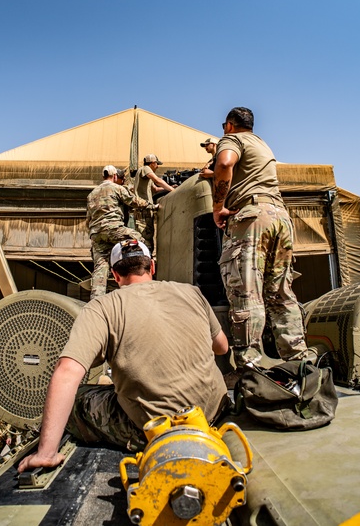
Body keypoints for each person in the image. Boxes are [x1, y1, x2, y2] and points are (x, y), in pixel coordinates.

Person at [17, 240, 229, 472]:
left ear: (115, 275)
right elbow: (222, 347)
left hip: (159, 428)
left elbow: (67, 372)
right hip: (212, 413)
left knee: (79, 400)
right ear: (152, 267)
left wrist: (46, 453)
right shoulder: (192, 292)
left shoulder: (102, 308)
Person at [211, 107, 314, 368]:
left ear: (230, 126)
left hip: (252, 217)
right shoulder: (262, 145)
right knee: (280, 294)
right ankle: (299, 362)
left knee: (246, 292)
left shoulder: (231, 139)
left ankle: (250, 368)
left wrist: (218, 206)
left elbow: (224, 163)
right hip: (280, 216)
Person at [87, 165, 156, 299]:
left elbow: (88, 219)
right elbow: (133, 201)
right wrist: (151, 206)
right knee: (140, 242)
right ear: (114, 176)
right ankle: (145, 278)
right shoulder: (116, 188)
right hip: (114, 228)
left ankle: (95, 299)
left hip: (96, 234)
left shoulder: (92, 194)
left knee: (100, 268)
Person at [132, 154, 175, 250]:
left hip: (146, 209)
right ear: (152, 163)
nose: (157, 166)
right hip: (143, 210)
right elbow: (157, 180)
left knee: (148, 236)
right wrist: (173, 190)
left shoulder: (146, 176)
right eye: (156, 164)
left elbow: (155, 189)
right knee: (144, 238)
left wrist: (169, 189)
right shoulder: (146, 169)